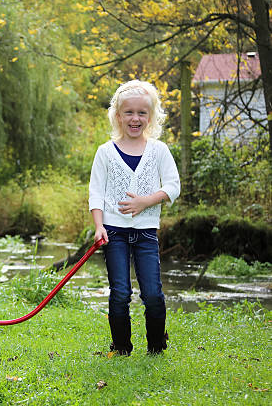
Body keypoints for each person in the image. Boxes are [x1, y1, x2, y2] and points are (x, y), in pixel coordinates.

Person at [88, 80, 180, 355]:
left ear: (150, 117)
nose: (135, 118)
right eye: (129, 112)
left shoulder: (159, 150)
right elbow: (96, 193)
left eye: (142, 113)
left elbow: (173, 186)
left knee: (152, 293)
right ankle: (121, 347)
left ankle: (156, 346)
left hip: (146, 232)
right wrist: (98, 226)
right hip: (113, 232)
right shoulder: (105, 152)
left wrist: (146, 201)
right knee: (120, 292)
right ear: (118, 115)